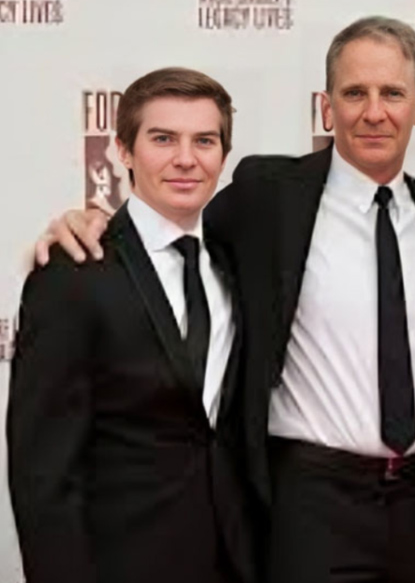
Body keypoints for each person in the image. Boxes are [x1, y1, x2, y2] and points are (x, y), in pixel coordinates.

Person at [35, 16, 415, 583]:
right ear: (326, 107)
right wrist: (87, 222)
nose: (373, 112)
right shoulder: (267, 196)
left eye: (392, 93)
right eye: (354, 93)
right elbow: (164, 230)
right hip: (311, 504)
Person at [8, 67, 256, 583]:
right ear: (123, 151)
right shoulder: (73, 274)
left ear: (223, 155)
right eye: (163, 139)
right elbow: (43, 472)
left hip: (232, 560)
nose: (185, 158)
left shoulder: (239, 259)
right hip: (121, 562)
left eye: (204, 141)